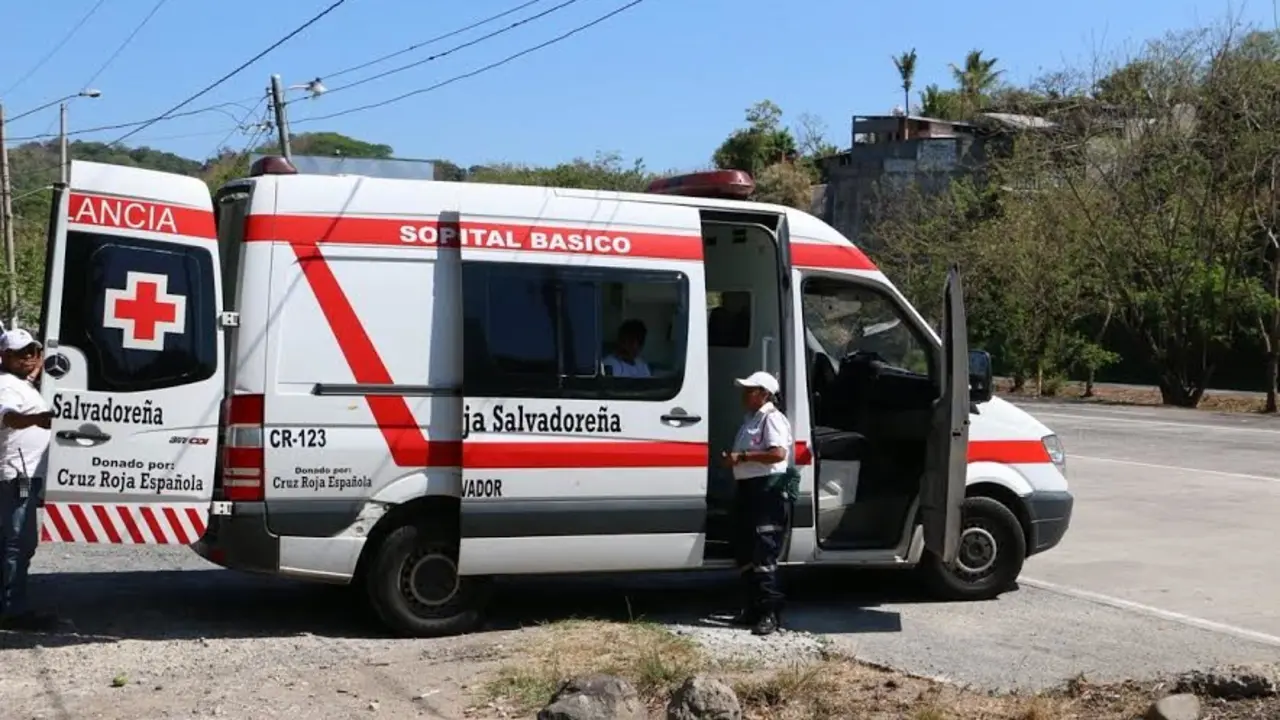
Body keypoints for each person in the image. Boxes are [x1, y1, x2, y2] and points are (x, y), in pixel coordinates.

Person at [721, 370, 798, 636]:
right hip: (748, 489)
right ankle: (752, 608)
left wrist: (741, 457)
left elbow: (778, 454)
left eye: (750, 389)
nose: (745, 394)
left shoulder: (772, 419)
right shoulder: (751, 419)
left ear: (764, 394)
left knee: (764, 552)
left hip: (766, 491)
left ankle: (769, 613)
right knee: (744, 550)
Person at [0, 329, 57, 631]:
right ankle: (12, 610)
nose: (30, 358)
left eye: (33, 351)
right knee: (19, 541)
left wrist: (44, 361)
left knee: (13, 540)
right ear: (5, 355)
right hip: (17, 475)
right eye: (22, 353)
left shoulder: (19, 382)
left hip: (24, 473)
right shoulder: (5, 387)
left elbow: (30, 374)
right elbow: (7, 417)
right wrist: (39, 419)